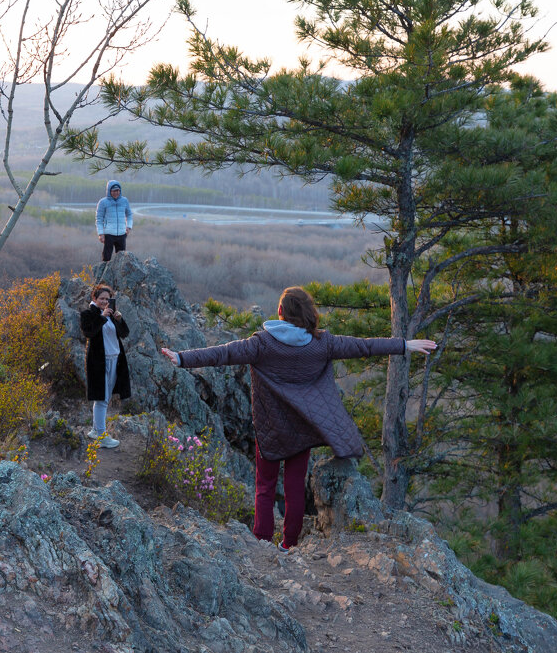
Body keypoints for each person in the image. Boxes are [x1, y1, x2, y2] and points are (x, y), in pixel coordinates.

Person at [160, 286, 436, 549]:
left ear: (280, 310)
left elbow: (224, 353)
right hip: (302, 429)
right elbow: (362, 346)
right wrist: (403, 345)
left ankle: (262, 542)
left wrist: (183, 358)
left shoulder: (262, 344)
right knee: (294, 488)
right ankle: (288, 544)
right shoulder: (322, 343)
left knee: (265, 487)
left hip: (270, 428)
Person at [80, 283, 131, 448]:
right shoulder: (88, 314)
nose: (104, 301)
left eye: (107, 299)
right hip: (99, 362)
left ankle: (96, 430)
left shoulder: (111, 315)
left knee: (104, 397)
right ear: (94, 298)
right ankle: (101, 436)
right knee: (101, 398)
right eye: (101, 298)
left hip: (115, 359)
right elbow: (88, 332)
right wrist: (102, 316)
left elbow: (124, 334)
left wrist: (119, 320)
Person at [95, 180, 132, 262]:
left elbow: (129, 214)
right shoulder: (103, 202)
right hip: (109, 234)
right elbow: (99, 219)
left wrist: (129, 226)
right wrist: (101, 234)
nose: (116, 192)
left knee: (121, 259)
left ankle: (120, 275)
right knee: (106, 258)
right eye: (114, 190)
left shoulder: (124, 200)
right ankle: (104, 274)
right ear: (109, 191)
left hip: (122, 234)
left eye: (118, 190)